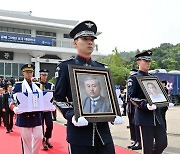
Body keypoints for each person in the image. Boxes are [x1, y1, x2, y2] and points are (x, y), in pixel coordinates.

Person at [54, 20, 124, 154]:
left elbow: (108, 96)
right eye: (85, 39)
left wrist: (114, 113)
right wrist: (72, 115)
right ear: (75, 42)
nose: (90, 42)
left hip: (103, 135)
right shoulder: (65, 67)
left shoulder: (101, 68)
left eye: (92, 39)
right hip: (80, 135)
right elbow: (58, 98)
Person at [127, 50, 167, 154]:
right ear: (138, 62)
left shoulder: (153, 78)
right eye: (145, 61)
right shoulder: (134, 78)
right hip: (144, 116)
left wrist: (165, 101)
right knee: (147, 147)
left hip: (157, 117)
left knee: (162, 143)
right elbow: (132, 97)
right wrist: (145, 105)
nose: (148, 63)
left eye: (149, 61)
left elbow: (158, 94)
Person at [9, 64, 43, 154]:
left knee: (39, 137)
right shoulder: (18, 85)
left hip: (36, 116)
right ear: (23, 73)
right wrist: (14, 108)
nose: (29, 74)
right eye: (27, 72)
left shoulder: (38, 85)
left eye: (31, 72)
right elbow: (11, 99)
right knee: (26, 140)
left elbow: (44, 97)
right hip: (24, 116)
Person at [39, 69, 54, 150]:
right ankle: (43, 140)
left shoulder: (50, 85)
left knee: (50, 125)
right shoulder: (37, 85)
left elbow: (53, 96)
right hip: (40, 109)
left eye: (46, 75)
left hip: (48, 109)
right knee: (40, 125)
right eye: (43, 75)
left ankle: (47, 138)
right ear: (40, 75)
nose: (44, 77)